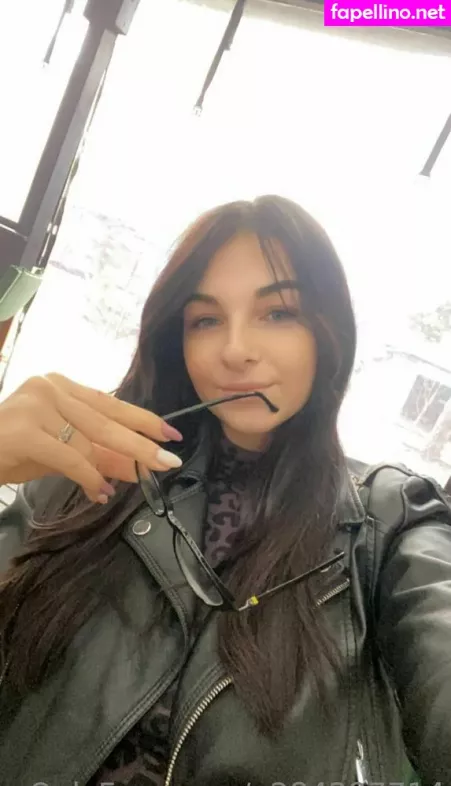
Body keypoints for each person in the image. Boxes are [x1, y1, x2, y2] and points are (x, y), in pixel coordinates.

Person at [0, 195, 450, 786]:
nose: (235, 350)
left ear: (329, 332)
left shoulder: (390, 523)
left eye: (278, 312)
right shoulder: (90, 463)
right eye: (206, 320)